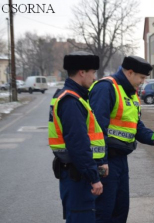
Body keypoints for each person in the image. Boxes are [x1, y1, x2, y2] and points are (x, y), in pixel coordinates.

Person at [89, 55, 154, 223]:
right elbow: (96, 130)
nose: (143, 82)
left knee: (121, 209)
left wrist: (153, 138)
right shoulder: (106, 88)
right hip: (107, 160)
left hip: (120, 159)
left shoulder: (131, 93)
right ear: (130, 73)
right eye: (141, 77)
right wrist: (100, 162)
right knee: (104, 211)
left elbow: (135, 125)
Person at [48, 51, 108, 223]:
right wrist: (93, 177)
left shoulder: (72, 96)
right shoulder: (71, 101)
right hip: (78, 176)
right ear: (82, 72)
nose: (94, 77)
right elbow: (79, 145)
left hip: (76, 173)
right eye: (93, 72)